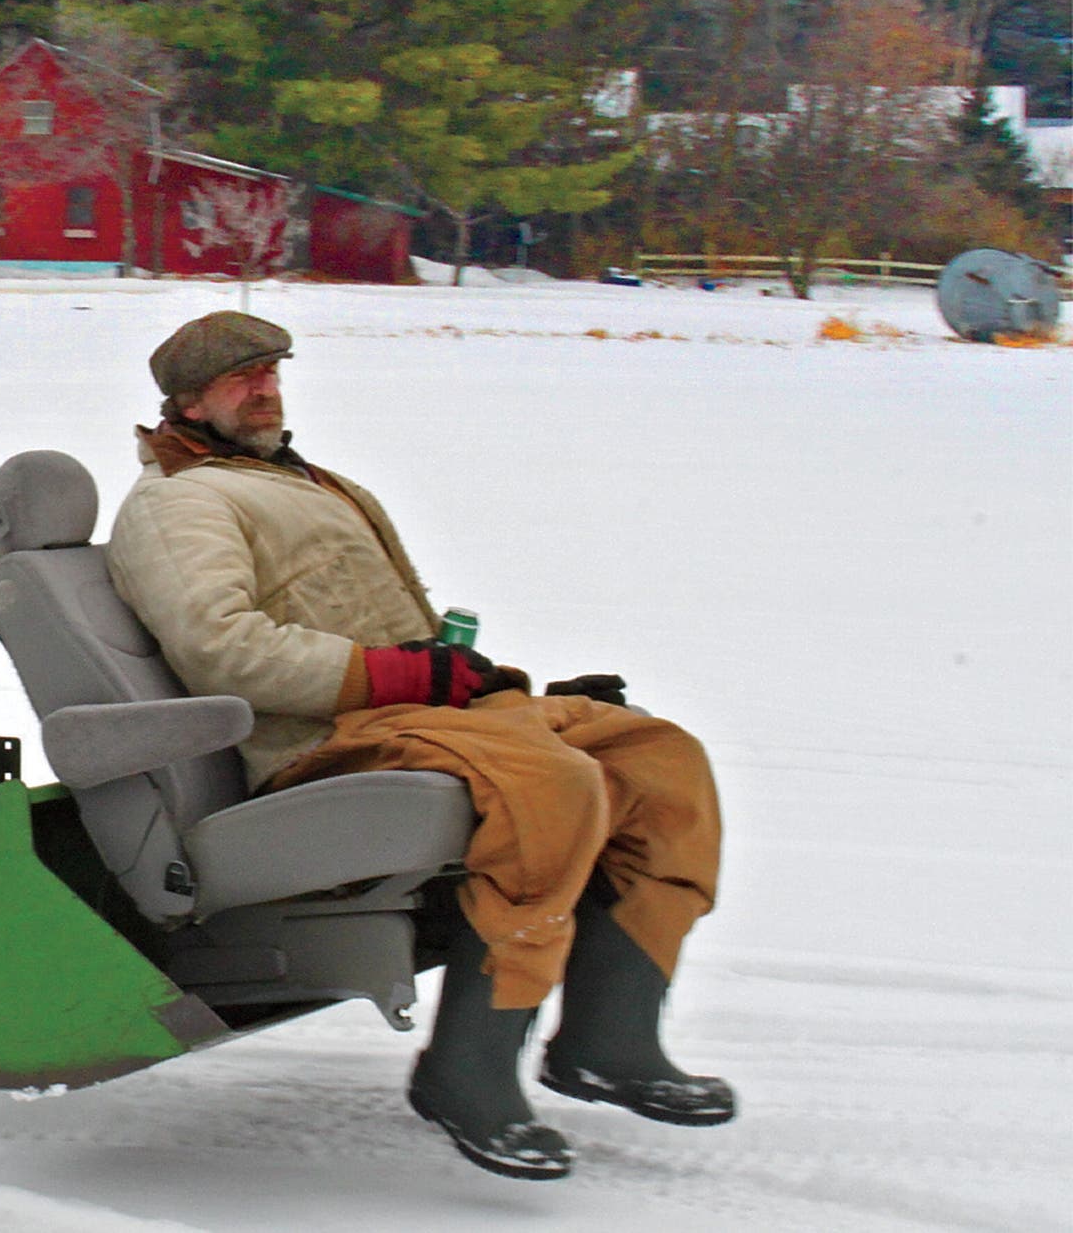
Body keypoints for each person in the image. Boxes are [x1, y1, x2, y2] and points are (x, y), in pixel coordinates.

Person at [105, 310, 733, 1181]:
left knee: (660, 762)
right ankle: (464, 1072)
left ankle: (607, 1042)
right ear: (186, 402)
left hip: (422, 716)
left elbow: (383, 628)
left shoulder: (300, 481)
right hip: (330, 736)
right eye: (241, 378)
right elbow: (223, 649)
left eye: (272, 372)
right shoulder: (179, 503)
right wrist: (400, 674)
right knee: (551, 787)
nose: (265, 389)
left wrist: (487, 681)